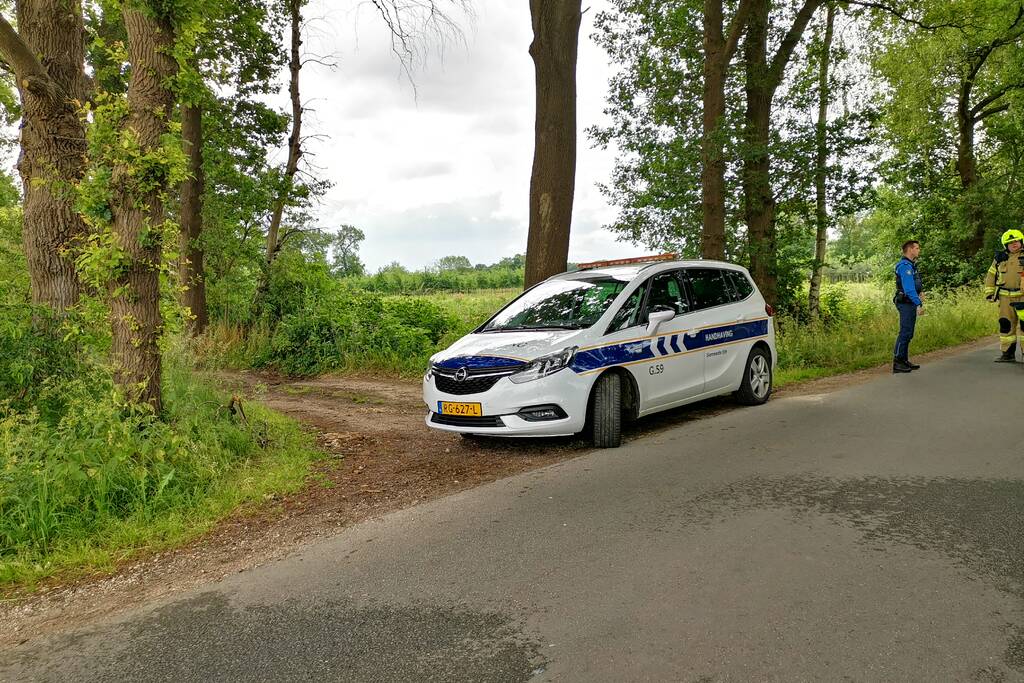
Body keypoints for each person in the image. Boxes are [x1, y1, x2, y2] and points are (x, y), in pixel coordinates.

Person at [984, 229, 1024, 362]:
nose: (1014, 244)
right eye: (1010, 242)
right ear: (1005, 245)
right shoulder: (1000, 258)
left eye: (1016, 241)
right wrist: (989, 292)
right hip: (1005, 298)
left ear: (1021, 242)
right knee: (1006, 325)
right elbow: (991, 275)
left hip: (1023, 296)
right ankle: (1007, 354)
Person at [893, 240, 923, 373]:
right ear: (910, 250)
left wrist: (920, 292)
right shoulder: (904, 266)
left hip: (909, 301)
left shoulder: (911, 265)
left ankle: (904, 359)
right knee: (905, 332)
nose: (918, 250)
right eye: (917, 248)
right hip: (905, 302)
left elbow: (915, 284)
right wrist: (918, 303)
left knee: (909, 332)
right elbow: (909, 288)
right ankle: (898, 362)